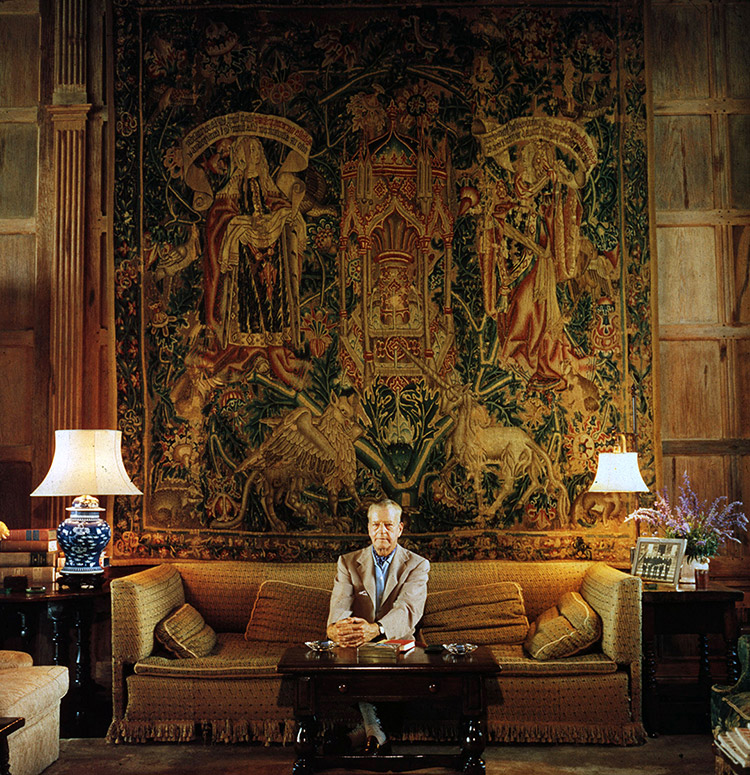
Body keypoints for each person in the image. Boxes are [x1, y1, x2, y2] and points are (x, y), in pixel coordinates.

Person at [326, 499, 430, 754]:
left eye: (388, 525)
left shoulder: (417, 564)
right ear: (368, 528)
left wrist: (376, 629)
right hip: (356, 643)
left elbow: (408, 611)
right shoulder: (348, 562)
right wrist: (336, 629)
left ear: (400, 529)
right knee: (344, 663)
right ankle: (374, 733)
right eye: (376, 525)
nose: (381, 531)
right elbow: (338, 610)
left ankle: (363, 733)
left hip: (397, 642)